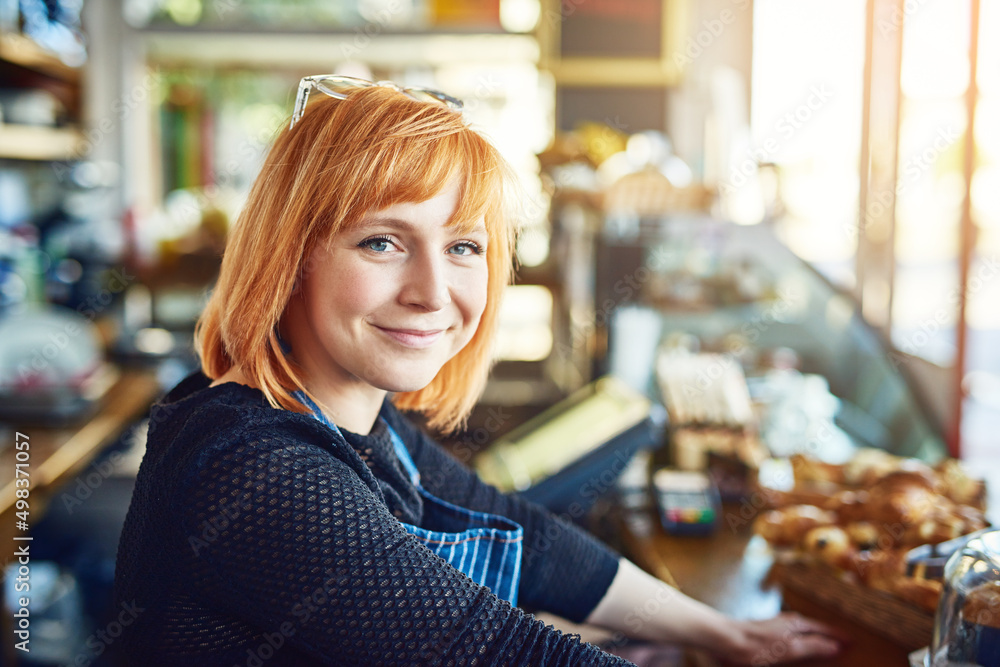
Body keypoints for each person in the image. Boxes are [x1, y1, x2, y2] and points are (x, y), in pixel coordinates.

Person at [114, 75, 843, 665]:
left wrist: (723, 634)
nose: (433, 291)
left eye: (464, 246)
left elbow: (525, 537)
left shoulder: (356, 419)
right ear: (290, 258)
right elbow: (497, 649)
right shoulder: (255, 468)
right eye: (381, 242)